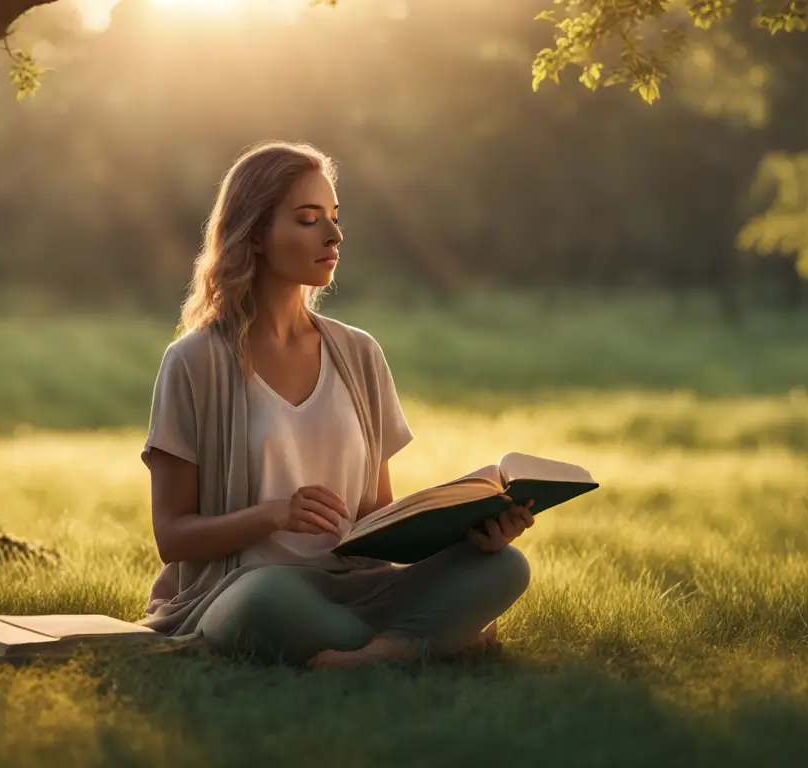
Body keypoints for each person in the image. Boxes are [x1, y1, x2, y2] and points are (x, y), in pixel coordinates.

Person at [138, 140, 534, 669]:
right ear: (254, 236)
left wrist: (470, 529)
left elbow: (374, 517)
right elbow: (172, 537)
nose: (334, 235)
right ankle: (421, 642)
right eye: (308, 219)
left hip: (361, 586)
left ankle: (371, 651)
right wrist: (274, 515)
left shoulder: (359, 353)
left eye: (334, 218)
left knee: (505, 566)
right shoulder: (193, 362)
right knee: (264, 602)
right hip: (247, 589)